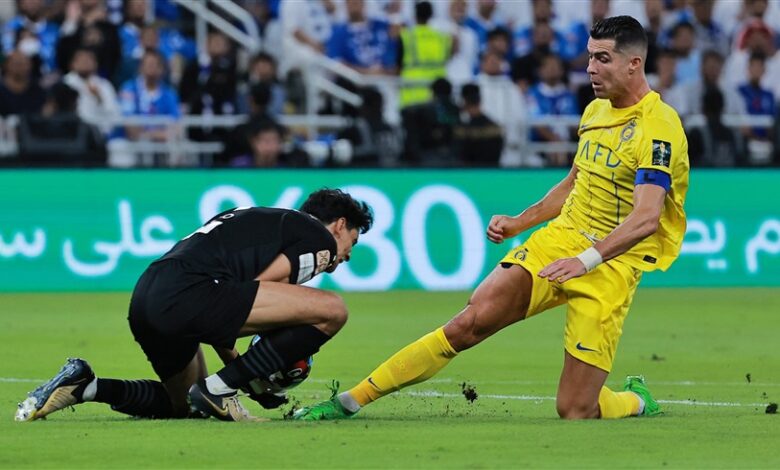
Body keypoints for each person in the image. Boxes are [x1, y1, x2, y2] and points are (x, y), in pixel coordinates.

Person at [294, 15, 689, 422]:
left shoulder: (658, 128)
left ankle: (637, 399)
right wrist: (521, 222)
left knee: (575, 410)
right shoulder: (594, 111)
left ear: (633, 64)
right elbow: (576, 181)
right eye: (589, 57)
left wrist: (585, 260)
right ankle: (351, 401)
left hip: (609, 264)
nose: (591, 68)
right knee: (469, 323)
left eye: (603, 59)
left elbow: (645, 218)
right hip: (561, 241)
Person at [16, 189, 373, 422]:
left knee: (185, 404)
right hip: (192, 293)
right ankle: (219, 389)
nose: (347, 255)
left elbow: (233, 303)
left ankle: (85, 385)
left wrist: (239, 374)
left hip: (148, 294)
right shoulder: (318, 239)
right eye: (352, 241)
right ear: (340, 225)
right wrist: (242, 379)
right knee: (332, 310)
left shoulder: (260, 219)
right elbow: (256, 289)